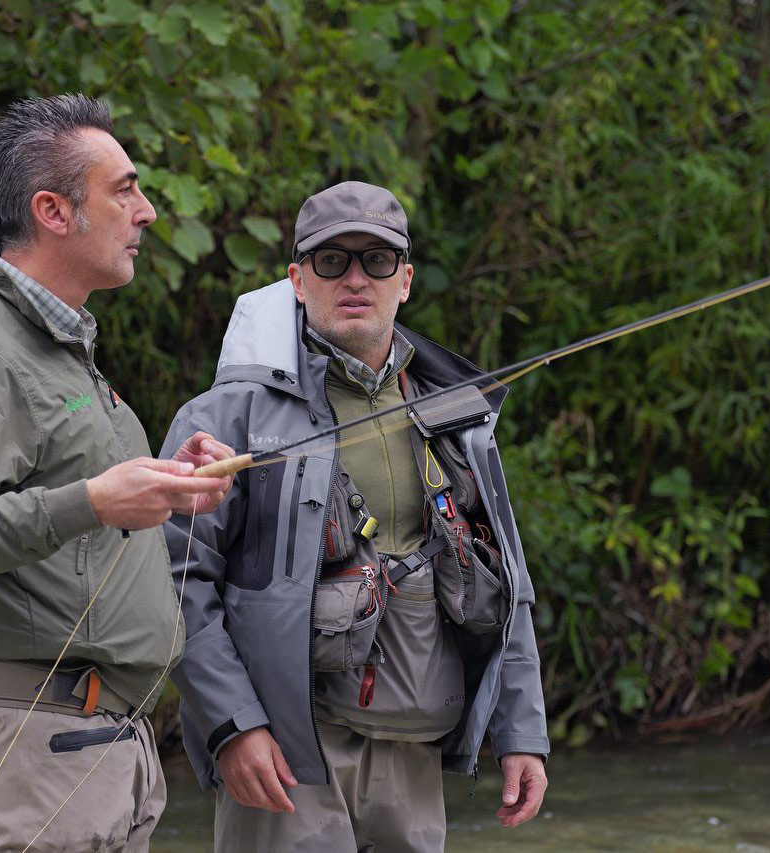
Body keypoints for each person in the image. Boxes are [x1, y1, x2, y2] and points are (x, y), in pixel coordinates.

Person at [161, 180, 549, 851]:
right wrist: (232, 724)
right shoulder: (224, 417)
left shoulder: (459, 417)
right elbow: (175, 579)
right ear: (296, 278)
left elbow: (506, 578)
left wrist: (520, 731)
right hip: (287, 753)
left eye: (376, 260)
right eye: (331, 260)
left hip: (415, 747)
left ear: (405, 280)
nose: (355, 277)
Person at [0, 94, 233, 852]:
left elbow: (71, 501)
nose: (146, 211)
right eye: (125, 190)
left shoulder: (54, 340)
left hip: (101, 746)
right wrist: (94, 500)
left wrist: (167, 485)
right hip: (38, 749)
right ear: (53, 210)